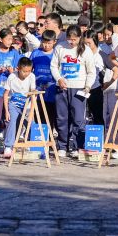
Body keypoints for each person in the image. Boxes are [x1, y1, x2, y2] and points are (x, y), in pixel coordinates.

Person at [50, 25, 97, 157]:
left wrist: (87, 86)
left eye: (74, 39)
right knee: (62, 118)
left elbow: (91, 71)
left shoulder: (86, 50)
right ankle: (62, 146)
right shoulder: (60, 47)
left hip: (79, 88)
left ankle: (77, 146)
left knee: (78, 119)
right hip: (62, 88)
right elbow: (54, 66)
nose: (71, 42)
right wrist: (59, 79)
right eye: (69, 39)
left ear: (80, 38)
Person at [2, 57, 36, 159]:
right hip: (14, 104)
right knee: (11, 122)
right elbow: (6, 94)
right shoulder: (12, 77)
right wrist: (7, 111)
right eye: (24, 71)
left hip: (26, 105)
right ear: (18, 69)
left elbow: (33, 95)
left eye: (29, 71)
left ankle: (30, 144)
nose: (26, 73)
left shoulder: (32, 76)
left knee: (31, 124)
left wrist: (32, 112)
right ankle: (8, 146)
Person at [0, 29, 21, 137]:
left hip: (10, 89)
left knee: (9, 113)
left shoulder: (14, 52)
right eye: (7, 39)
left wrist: (12, 71)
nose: (10, 41)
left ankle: (8, 138)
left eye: (11, 39)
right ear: (0, 39)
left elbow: (18, 70)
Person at [29, 30, 58, 128]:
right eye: (44, 42)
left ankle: (49, 135)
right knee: (38, 114)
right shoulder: (36, 53)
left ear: (54, 42)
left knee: (50, 115)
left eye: (49, 43)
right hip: (37, 90)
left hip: (52, 90)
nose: (46, 45)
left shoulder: (56, 54)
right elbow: (29, 69)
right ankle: (38, 135)